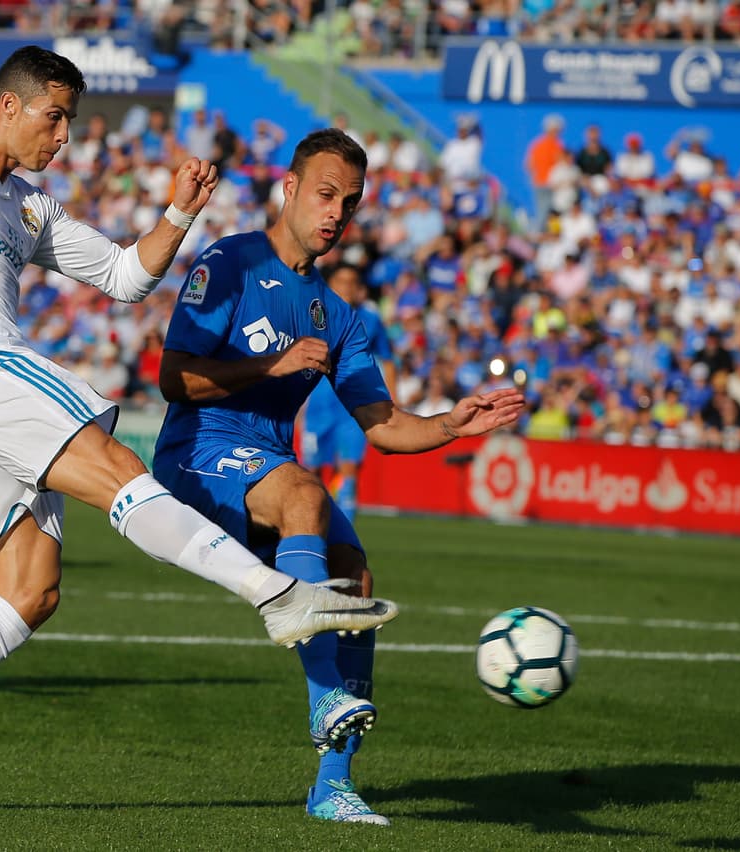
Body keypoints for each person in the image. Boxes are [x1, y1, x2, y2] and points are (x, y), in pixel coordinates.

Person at [0, 47, 398, 818]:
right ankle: (275, 594)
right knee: (115, 464)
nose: (64, 138)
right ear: (10, 106)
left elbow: (125, 277)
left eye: (72, 122)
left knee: (29, 590)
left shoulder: (27, 205)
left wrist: (178, 214)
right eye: (55, 118)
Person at [151, 129, 525, 825]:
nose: (335, 214)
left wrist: (452, 422)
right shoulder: (229, 262)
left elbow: (382, 425)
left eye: (348, 203)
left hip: (263, 459)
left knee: (354, 575)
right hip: (196, 455)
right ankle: (328, 697)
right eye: (325, 195)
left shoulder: (339, 315)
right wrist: (271, 365)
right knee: (305, 494)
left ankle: (333, 786)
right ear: (288, 188)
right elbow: (175, 378)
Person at [299, 262, 397, 525]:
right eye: (341, 281)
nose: (347, 287)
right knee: (312, 470)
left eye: (352, 282)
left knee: (349, 466)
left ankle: (346, 530)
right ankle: (313, 524)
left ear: (360, 289)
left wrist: (392, 400)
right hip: (319, 403)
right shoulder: (315, 312)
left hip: (352, 406)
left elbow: (388, 359)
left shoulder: (371, 319)